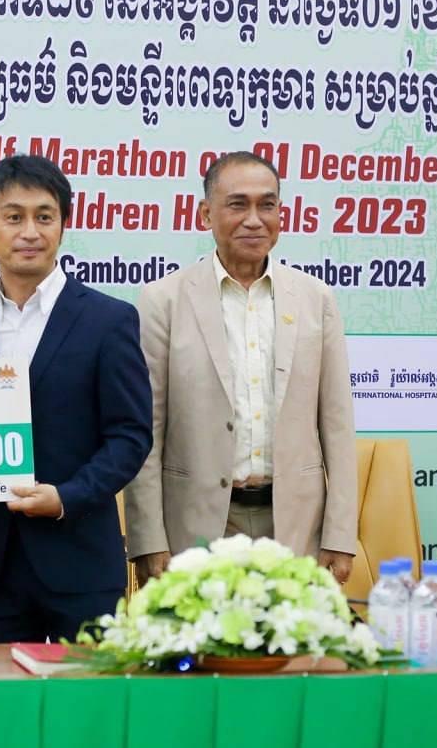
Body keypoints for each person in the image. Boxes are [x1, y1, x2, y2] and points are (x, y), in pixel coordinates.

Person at [0, 155, 152, 642]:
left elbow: (130, 437)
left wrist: (65, 498)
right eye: (13, 217)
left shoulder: (109, 320)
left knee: (88, 693)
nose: (30, 232)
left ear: (63, 225)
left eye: (44, 216)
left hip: (82, 564)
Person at [125, 150, 357, 587]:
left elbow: (338, 425)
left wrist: (340, 535)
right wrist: (148, 539)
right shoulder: (164, 300)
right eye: (237, 205)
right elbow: (146, 430)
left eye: (267, 205)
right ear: (205, 214)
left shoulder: (315, 299)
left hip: (295, 527)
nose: (254, 220)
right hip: (195, 529)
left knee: (291, 634)